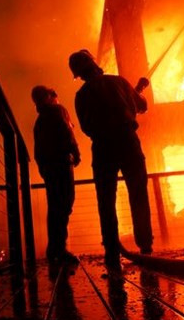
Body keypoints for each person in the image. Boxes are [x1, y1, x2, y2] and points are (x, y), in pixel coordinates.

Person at [67, 49, 154, 265]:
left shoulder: (82, 96)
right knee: (138, 193)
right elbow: (141, 106)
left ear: (79, 74)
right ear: (94, 65)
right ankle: (145, 245)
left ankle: (111, 249)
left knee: (106, 200)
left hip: (103, 147)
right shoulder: (119, 82)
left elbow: (86, 127)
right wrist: (138, 92)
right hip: (128, 142)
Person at [31, 84, 81, 265]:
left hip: (50, 169)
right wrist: (76, 152)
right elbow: (67, 131)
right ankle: (59, 249)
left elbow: (38, 150)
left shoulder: (39, 121)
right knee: (65, 203)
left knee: (54, 207)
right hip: (61, 164)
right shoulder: (57, 110)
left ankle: (54, 249)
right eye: (54, 94)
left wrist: (43, 169)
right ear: (49, 96)